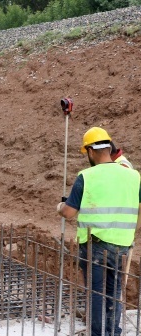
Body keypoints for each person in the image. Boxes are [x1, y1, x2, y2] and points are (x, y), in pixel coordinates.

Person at [57, 127, 141, 336]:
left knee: (96, 294)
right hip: (122, 244)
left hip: (94, 245)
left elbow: (69, 212)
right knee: (114, 292)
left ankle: (97, 334)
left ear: (91, 151)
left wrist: (59, 207)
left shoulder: (87, 176)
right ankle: (113, 332)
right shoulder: (133, 175)